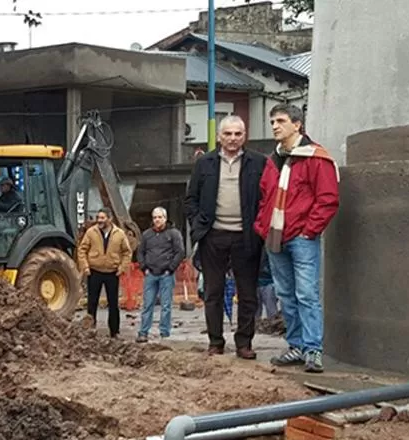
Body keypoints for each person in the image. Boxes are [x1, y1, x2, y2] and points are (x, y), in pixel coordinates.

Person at [254, 104, 340, 373]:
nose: (275, 126)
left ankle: (313, 350)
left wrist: (309, 230)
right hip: (275, 238)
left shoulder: (316, 158)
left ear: (297, 125)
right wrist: (262, 226)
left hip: (301, 238)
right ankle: (296, 346)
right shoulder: (273, 160)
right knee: (286, 295)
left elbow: (327, 199)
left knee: (306, 294)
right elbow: (265, 197)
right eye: (272, 122)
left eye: (280, 121)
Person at [185, 115, 267, 359]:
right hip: (213, 236)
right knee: (213, 292)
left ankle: (244, 343)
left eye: (238, 134)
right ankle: (215, 342)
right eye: (228, 134)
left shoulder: (259, 163)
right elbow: (191, 199)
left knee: (248, 294)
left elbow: (266, 198)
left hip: (246, 238)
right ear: (220, 136)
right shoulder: (205, 163)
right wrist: (198, 225)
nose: (233, 139)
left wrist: (259, 228)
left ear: (245, 136)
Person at [77, 208, 133, 338]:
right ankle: (90, 330)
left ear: (110, 219)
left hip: (112, 273)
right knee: (92, 303)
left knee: (113, 304)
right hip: (94, 272)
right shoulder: (91, 232)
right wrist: (85, 267)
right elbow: (82, 250)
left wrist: (122, 268)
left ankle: (114, 332)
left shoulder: (119, 234)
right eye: (98, 217)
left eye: (102, 218)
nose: (99, 220)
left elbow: (127, 252)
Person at [135, 207, 185, 342]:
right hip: (150, 274)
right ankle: (143, 332)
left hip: (166, 275)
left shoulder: (174, 234)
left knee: (166, 306)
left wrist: (170, 268)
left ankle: (165, 333)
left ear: (165, 218)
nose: (157, 220)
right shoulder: (146, 235)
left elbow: (180, 252)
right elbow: (140, 252)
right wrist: (144, 267)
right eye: (155, 217)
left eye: (159, 217)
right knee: (147, 305)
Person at [258, 251, 280, 320]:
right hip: (253, 282)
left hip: (269, 281)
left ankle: (273, 326)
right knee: (254, 314)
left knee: (272, 312)